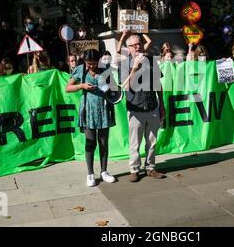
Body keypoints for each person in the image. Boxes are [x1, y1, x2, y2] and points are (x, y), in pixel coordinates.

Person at [65, 49, 117, 187]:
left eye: (94, 63)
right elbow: (67, 88)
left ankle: (104, 172)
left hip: (104, 109)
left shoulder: (105, 69)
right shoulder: (80, 70)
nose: (91, 66)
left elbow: (114, 87)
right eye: (89, 63)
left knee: (104, 142)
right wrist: (82, 85)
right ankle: (90, 174)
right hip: (88, 110)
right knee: (90, 142)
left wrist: (108, 87)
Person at [119, 34, 166, 182]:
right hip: (135, 109)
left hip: (152, 107)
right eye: (133, 45)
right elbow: (125, 86)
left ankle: (150, 167)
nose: (137, 47)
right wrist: (134, 69)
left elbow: (158, 84)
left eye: (139, 43)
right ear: (128, 49)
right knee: (135, 143)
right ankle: (134, 170)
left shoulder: (152, 61)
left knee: (152, 141)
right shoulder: (124, 64)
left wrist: (162, 105)